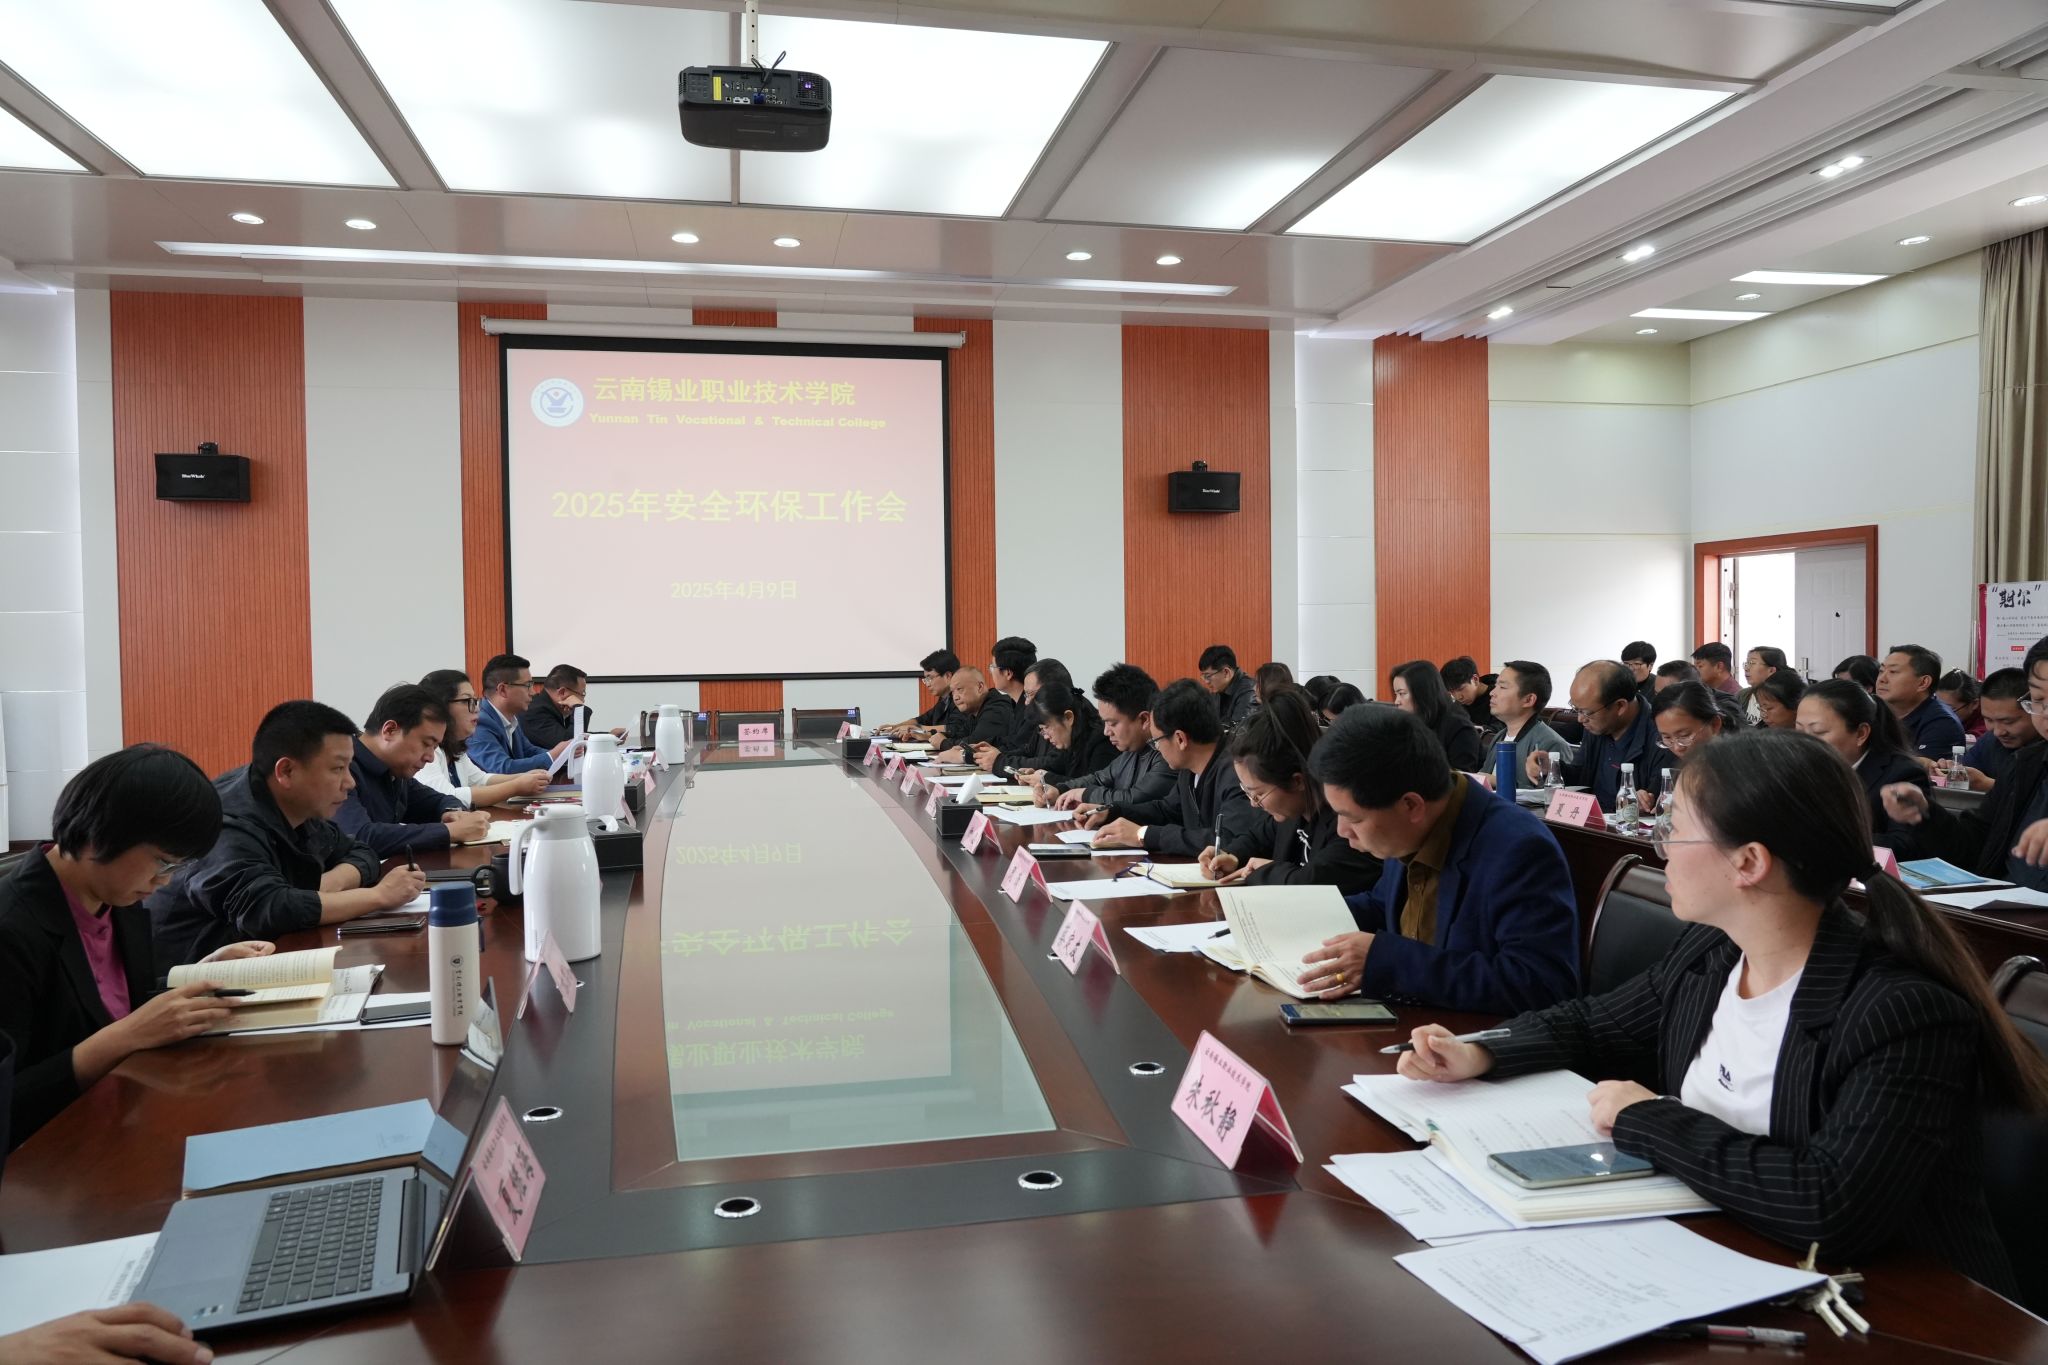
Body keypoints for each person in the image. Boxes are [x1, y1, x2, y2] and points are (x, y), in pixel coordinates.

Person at [1399, 729, 2047, 1294]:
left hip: (1900, 1311)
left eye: (1676, 828)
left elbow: (1829, 1205)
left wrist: (1647, 1118)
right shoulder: (1714, 951)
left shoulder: (1902, 1013)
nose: (1659, 845)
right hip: (1728, 1253)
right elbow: (1594, 1023)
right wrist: (1482, 1049)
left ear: (1749, 862)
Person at [0, 746, 275, 1148]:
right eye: (163, 862)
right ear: (99, 834)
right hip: (51, 1155)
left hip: (121, 1117)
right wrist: (122, 1038)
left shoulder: (117, 898)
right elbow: (10, 1101)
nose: (165, 881)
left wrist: (199, 971)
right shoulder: (12, 930)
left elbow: (112, 1001)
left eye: (178, 867)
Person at [1296, 706, 1578, 1014]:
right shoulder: (1409, 824)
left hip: (1464, 1035)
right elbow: (1383, 906)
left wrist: (1388, 961)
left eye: (1354, 818)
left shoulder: (1518, 849)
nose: (1342, 831)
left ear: (1411, 806)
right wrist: (1298, 914)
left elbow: (1540, 984)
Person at [148, 702, 428, 970]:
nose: (350, 782)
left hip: (266, 960)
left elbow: (361, 852)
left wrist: (327, 885)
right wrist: (378, 896)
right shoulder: (227, 822)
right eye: (337, 768)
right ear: (286, 771)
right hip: (187, 979)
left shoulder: (297, 805)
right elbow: (268, 910)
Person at [1882, 636, 2048, 887]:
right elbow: (1972, 845)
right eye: (2038, 700)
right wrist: (1926, 813)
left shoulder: (1939, 721)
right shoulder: (2025, 765)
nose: (2045, 714)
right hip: (2007, 905)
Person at [1199, 690, 1382, 896]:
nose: (1253, 803)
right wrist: (1232, 855)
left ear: (1297, 781)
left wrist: (1261, 872)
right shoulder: (1292, 811)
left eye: (1258, 794)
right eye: (1247, 792)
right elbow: (1258, 837)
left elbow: (1310, 884)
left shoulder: (1348, 822)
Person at [1090, 679, 1255, 857]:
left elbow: (1228, 840)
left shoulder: (1238, 771)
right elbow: (1167, 811)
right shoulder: (1189, 769)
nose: (1157, 749)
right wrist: (1111, 811)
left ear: (1180, 739)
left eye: (1156, 742)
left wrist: (1143, 835)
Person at [337, 684, 492, 858]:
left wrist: (454, 812)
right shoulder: (340, 770)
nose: (430, 757)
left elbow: (437, 800)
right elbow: (359, 837)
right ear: (390, 730)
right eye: (426, 744)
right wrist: (449, 831)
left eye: (435, 747)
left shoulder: (395, 773)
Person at [1797, 679, 1929, 848]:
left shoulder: (1902, 774)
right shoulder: (1800, 770)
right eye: (1799, 730)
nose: (1805, 741)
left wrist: (1819, 838)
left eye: (1818, 732)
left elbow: (1904, 845)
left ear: (1861, 733)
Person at [1047, 663, 1176, 812]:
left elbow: (1134, 799)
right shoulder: (1130, 751)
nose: (1106, 732)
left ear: (1144, 719)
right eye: (1104, 723)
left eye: (1112, 723)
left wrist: (1085, 794)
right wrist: (1060, 789)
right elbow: (1098, 778)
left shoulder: (1168, 755)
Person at [414, 669, 551, 808]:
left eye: (475, 701)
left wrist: (524, 777)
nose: (476, 709)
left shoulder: (456, 747)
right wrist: (516, 786)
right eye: (468, 701)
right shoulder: (427, 750)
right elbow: (447, 796)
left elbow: (481, 780)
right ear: (440, 707)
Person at [1556, 660, 1662, 812]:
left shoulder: (1662, 736)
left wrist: (1645, 801)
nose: (1580, 719)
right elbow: (1581, 776)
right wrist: (1553, 768)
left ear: (1620, 706)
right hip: (1590, 821)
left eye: (1586, 712)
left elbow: (1659, 801)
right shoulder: (1596, 725)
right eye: (1576, 709)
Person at [466, 653, 573, 775]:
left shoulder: (511, 718)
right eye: (528, 685)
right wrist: (552, 756)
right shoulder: (479, 722)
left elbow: (529, 751)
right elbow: (502, 769)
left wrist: (564, 754)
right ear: (503, 690)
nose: (533, 692)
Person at [1480, 661, 1570, 787]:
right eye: (1495, 686)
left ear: (1528, 700)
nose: (1492, 693)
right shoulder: (1499, 736)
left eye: (1502, 687)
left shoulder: (1551, 744)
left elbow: (1553, 795)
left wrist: (1498, 782)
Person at [1015, 681, 1112, 794]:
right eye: (1042, 730)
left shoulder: (1103, 741)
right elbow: (1058, 768)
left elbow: (1094, 787)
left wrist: (1046, 779)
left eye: (1046, 727)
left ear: (1068, 717)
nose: (1045, 736)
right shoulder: (1071, 739)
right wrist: (1034, 775)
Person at [1390, 659, 1485, 771]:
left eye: (1402, 693)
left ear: (1422, 693)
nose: (1397, 701)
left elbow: (1461, 778)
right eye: (1396, 694)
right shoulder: (1412, 724)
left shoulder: (1459, 727)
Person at [1954, 668, 2041, 790]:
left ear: (2034, 709)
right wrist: (1950, 771)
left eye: (2008, 722)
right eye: (1988, 720)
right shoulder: (1989, 742)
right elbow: (1967, 772)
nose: (1998, 732)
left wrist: (1988, 784)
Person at [1878, 643, 1967, 761]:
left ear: (1923, 683)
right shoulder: (1874, 710)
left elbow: (1919, 770)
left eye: (1893, 672)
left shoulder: (1942, 723)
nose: (1882, 679)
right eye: (1881, 671)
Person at [983, 656, 1068, 780]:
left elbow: (1055, 763)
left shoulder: (1070, 719)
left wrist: (1000, 762)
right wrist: (996, 756)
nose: (1027, 702)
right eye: (1025, 695)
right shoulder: (1040, 717)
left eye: (1030, 694)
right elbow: (1029, 750)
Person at [966, 636, 1037, 773]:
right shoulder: (1015, 703)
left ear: (1007, 673)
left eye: (992, 667)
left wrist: (966, 756)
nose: (991, 672)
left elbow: (1019, 749)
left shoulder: (1032, 709)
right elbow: (1010, 741)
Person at [521, 664, 625, 749]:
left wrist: (609, 736)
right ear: (562, 692)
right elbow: (572, 746)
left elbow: (573, 735)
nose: (583, 700)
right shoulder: (535, 711)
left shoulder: (549, 706)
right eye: (582, 694)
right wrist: (579, 708)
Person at [1649, 682, 1734, 783]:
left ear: (1715, 724)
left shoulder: (1740, 769)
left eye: (1684, 736)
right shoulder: (1672, 762)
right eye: (1667, 738)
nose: (1677, 748)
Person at [928, 667, 1016, 762]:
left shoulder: (997, 707)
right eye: (953, 692)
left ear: (979, 687)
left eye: (959, 689)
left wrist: (943, 743)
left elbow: (977, 743)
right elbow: (961, 734)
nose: (955, 697)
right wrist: (939, 735)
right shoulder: (974, 710)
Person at [881, 649, 962, 739]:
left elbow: (954, 728)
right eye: (926, 679)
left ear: (948, 676)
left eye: (930, 678)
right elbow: (923, 719)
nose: (927, 684)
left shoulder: (961, 699)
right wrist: (895, 727)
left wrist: (917, 729)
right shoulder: (944, 699)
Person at [1198, 645, 1258, 730]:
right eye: (1203, 676)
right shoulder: (1218, 689)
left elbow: (1239, 732)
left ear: (1226, 672)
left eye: (1208, 676)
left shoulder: (1249, 691)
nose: (1206, 681)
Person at [1440, 656, 1492, 730]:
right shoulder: (1458, 706)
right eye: (1452, 692)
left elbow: (1499, 730)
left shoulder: (1499, 698)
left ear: (1475, 679)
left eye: (1460, 689)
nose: (1458, 697)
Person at [1937, 669, 1985, 740]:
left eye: (1949, 709)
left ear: (1974, 704)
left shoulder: (1988, 717)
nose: (1941, 715)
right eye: (1939, 706)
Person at [1621, 641, 1658, 705]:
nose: (1630, 668)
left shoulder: (1659, 687)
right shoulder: (1617, 682)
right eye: (1626, 663)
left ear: (1650, 666)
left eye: (1636, 664)